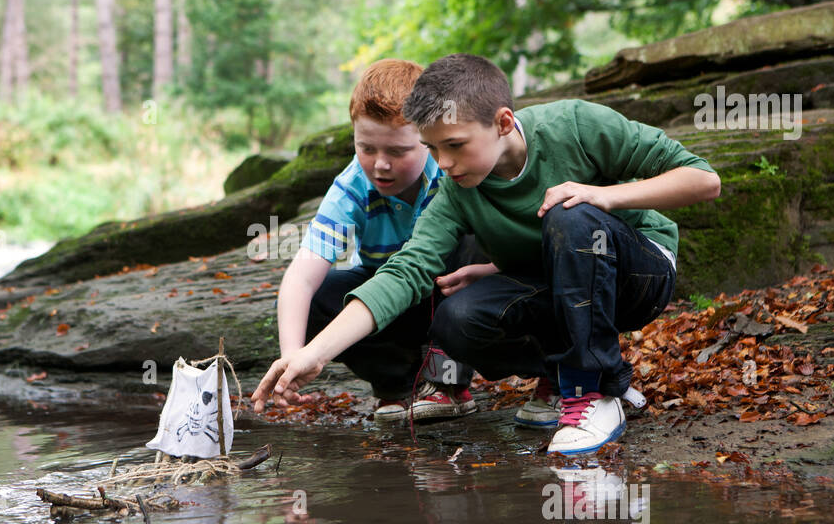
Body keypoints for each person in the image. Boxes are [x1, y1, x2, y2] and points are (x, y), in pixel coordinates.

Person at [253, 53, 721, 455]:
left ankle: (591, 393)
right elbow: (407, 271)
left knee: (570, 212)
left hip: (638, 274)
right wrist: (313, 353)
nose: (445, 164)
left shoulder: (575, 126)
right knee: (458, 317)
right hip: (555, 282)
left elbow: (704, 181)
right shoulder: (456, 190)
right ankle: (580, 380)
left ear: (502, 122)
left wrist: (604, 195)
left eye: (455, 146)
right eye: (434, 149)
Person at [275, 58, 494, 423]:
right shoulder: (352, 188)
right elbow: (301, 276)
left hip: (454, 293)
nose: (380, 165)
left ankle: (449, 384)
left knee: (468, 241)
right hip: (390, 303)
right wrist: (291, 355)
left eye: (397, 151)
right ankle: (403, 385)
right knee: (321, 294)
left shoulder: (452, 172)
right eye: (367, 148)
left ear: (427, 139)